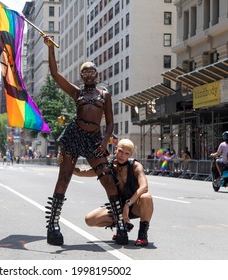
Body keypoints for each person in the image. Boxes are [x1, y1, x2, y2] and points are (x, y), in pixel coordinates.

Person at [43, 35, 128, 246]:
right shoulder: (76, 92)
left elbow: (110, 123)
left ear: (97, 74)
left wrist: (104, 141)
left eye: (91, 71)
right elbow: (55, 74)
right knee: (64, 178)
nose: (88, 74)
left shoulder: (104, 95)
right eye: (85, 71)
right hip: (74, 135)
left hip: (94, 140)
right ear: (81, 76)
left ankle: (120, 225)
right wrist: (50, 49)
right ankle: (53, 225)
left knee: (108, 179)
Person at [73, 139, 154, 246]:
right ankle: (120, 225)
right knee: (90, 220)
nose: (122, 155)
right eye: (120, 151)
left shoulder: (135, 166)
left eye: (127, 153)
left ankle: (142, 235)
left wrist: (128, 204)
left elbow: (144, 186)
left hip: (134, 206)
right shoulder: (107, 166)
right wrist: (67, 166)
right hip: (117, 207)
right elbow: (84, 172)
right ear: (116, 149)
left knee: (146, 197)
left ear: (131, 154)